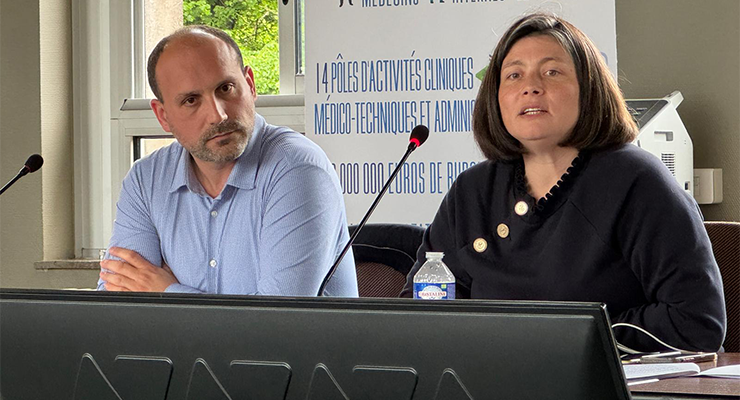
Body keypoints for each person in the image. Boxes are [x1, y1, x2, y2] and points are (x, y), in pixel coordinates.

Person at [401, 13, 726, 352]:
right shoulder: (472, 192)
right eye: (513, 75)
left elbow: (697, 322)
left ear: (588, 90)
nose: (531, 86)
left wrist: (572, 341)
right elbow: (418, 312)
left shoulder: (637, 182)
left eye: (551, 72)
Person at [97, 25, 358, 297]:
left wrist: (166, 290)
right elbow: (119, 301)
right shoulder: (146, 180)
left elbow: (278, 323)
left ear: (250, 85)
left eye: (226, 88)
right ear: (162, 116)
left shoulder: (297, 169)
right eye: (191, 100)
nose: (218, 115)